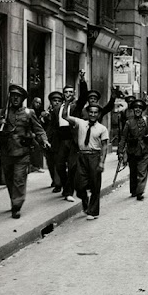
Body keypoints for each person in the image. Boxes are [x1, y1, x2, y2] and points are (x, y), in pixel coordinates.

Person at [0, 84, 50, 219]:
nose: (15, 99)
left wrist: (44, 140)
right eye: (13, 96)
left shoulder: (29, 113)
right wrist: (0, 123)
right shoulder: (2, 112)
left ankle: (16, 206)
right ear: (10, 98)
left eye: (18, 97)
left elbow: (38, 129)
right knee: (10, 180)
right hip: (6, 152)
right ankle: (14, 200)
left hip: (22, 153)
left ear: (22, 99)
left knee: (19, 180)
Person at [62, 103, 108, 219]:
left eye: (95, 112)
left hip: (94, 156)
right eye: (91, 112)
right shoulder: (81, 123)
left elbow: (104, 146)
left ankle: (93, 211)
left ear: (99, 114)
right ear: (87, 113)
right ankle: (84, 200)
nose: (93, 114)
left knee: (95, 185)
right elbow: (65, 117)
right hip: (81, 156)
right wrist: (67, 103)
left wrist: (102, 162)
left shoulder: (102, 129)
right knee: (79, 184)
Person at [52, 71, 88, 202]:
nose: (68, 94)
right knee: (59, 165)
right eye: (66, 92)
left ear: (73, 94)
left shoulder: (76, 106)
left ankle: (68, 192)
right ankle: (67, 184)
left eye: (71, 92)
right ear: (63, 94)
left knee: (73, 166)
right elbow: (53, 126)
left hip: (73, 139)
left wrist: (82, 81)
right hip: (61, 140)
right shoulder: (57, 109)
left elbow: (84, 96)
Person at [118, 99, 148, 201]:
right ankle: (134, 190)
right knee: (133, 172)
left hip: (144, 150)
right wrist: (120, 151)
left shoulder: (146, 120)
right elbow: (123, 138)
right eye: (136, 108)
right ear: (133, 110)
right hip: (132, 150)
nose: (138, 109)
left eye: (140, 108)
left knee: (142, 172)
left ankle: (140, 192)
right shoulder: (128, 123)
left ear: (142, 110)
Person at [42, 91, 63, 190]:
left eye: (59, 101)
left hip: (59, 141)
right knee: (50, 162)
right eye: (55, 101)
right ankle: (54, 180)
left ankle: (58, 183)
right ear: (51, 102)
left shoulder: (63, 112)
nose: (57, 102)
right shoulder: (46, 114)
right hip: (48, 141)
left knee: (58, 162)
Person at [29, 97, 46, 173]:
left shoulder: (37, 111)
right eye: (37, 102)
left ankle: (35, 166)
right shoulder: (30, 111)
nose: (38, 104)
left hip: (35, 133)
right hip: (30, 133)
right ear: (33, 102)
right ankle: (35, 166)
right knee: (36, 147)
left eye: (39, 103)